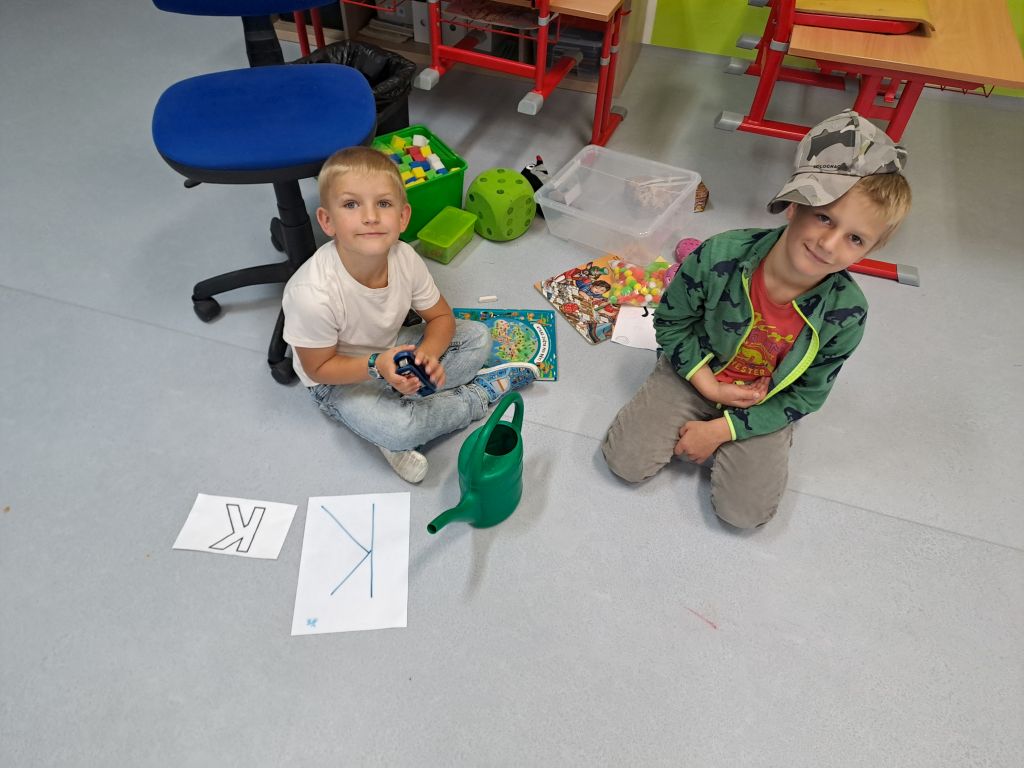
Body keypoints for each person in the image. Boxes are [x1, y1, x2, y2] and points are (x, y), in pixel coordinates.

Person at [602, 110, 912, 528]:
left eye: (855, 238)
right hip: (694, 372)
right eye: (824, 217)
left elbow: (806, 395)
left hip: (763, 402)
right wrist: (705, 382)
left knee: (744, 515)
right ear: (794, 205)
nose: (829, 244)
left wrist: (723, 430)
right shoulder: (720, 255)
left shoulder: (847, 314)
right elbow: (672, 323)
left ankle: (743, 432)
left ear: (869, 250)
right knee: (624, 462)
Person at [283, 146, 538, 484]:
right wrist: (378, 367)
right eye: (351, 204)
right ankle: (478, 395)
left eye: (383, 204)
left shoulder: (404, 257)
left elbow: (441, 318)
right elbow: (319, 368)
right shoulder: (311, 294)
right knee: (400, 428)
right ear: (327, 221)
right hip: (338, 378)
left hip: (391, 348)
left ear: (403, 217)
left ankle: (399, 410)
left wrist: (427, 356)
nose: (370, 216)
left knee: (477, 337)